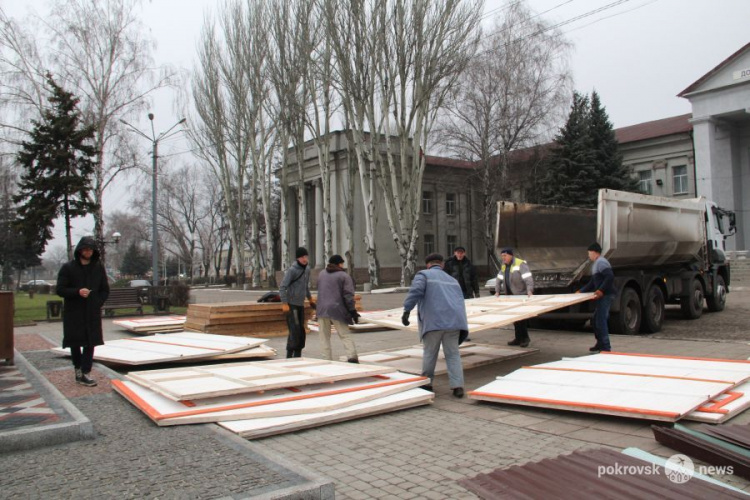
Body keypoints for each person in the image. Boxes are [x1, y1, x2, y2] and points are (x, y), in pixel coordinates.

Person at [402, 253, 468, 398]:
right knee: (453, 355)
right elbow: (460, 302)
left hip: (433, 323)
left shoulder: (424, 275)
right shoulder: (452, 280)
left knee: (430, 354)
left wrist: (407, 310)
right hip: (453, 323)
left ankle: (427, 383)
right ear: (442, 264)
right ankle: (458, 387)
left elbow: (415, 292)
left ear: (428, 265)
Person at [56, 236, 110, 387]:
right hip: (74, 312)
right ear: (80, 250)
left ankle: (86, 371)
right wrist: (77, 292)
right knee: (75, 342)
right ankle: (78, 370)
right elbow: (60, 289)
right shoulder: (68, 268)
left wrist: (98, 302)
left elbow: (105, 289)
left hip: (92, 311)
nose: (88, 252)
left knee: (90, 342)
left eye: (91, 249)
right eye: (85, 249)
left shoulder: (98, 267)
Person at [316, 254, 360, 363]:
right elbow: (348, 295)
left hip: (321, 310)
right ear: (339, 264)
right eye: (342, 263)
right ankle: (352, 356)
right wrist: (353, 311)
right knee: (344, 334)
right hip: (337, 309)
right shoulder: (344, 276)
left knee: (324, 337)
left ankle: (326, 360)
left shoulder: (321, 274)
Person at [578, 242, 616, 352]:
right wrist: (580, 291)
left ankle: (605, 347)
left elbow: (609, 277)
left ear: (594, 252)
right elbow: (592, 282)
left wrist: (601, 290)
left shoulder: (601, 262)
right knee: (595, 320)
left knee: (601, 320)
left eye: (589, 253)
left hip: (605, 295)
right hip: (602, 296)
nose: (589, 256)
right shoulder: (596, 264)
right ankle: (600, 343)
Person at [280, 247, 314, 358]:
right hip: (292, 304)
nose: (304, 259)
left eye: (306, 257)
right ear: (298, 258)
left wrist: (309, 298)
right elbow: (282, 287)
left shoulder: (307, 269)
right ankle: (290, 354)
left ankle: (297, 353)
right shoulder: (292, 270)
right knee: (295, 329)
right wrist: (285, 303)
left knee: (301, 329)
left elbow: (305, 286)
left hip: (300, 304)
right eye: (302, 257)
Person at [495, 248, 534, 348]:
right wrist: (497, 290)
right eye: (502, 256)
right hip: (510, 295)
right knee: (515, 318)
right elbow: (499, 279)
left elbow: (528, 278)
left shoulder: (520, 264)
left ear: (511, 255)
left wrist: (530, 290)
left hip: (520, 294)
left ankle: (525, 339)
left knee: (522, 318)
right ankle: (518, 338)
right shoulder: (504, 266)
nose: (503, 258)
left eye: (505, 256)